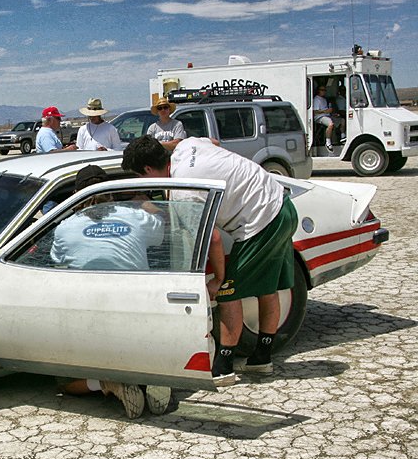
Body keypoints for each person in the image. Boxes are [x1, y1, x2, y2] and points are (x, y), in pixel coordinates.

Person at [122, 135, 298, 387]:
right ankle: (261, 358)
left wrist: (219, 279)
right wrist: (164, 146)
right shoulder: (188, 146)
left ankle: (223, 367)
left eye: (140, 176)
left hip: (259, 221)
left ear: (148, 169)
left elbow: (213, 238)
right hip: (282, 204)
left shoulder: (185, 190)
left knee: (228, 294)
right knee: (267, 289)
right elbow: (214, 141)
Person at [54, 165, 166, 417]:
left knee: (63, 381)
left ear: (76, 196)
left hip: (92, 317)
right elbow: (163, 233)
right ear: (111, 191)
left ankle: (106, 384)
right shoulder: (136, 216)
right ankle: (155, 380)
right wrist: (148, 204)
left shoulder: (64, 228)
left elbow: (58, 261)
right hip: (139, 309)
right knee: (146, 350)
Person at [313, 86, 345, 151]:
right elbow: (315, 112)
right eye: (322, 90)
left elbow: (327, 111)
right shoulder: (316, 99)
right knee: (330, 124)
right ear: (318, 91)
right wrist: (325, 111)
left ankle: (343, 136)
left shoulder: (324, 99)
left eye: (325, 90)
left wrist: (332, 114)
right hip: (319, 117)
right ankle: (328, 142)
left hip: (327, 115)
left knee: (342, 120)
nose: (324, 91)